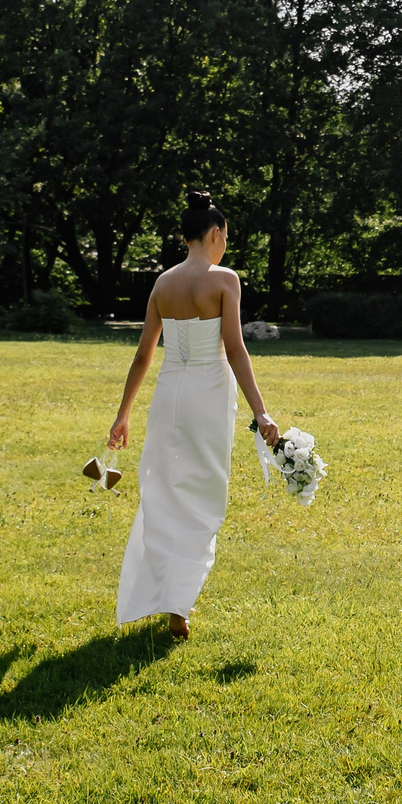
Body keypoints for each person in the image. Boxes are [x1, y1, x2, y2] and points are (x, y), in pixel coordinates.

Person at [105, 191, 282, 640]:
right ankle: (178, 605)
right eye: (226, 237)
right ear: (216, 233)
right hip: (208, 395)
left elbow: (143, 356)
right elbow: (235, 349)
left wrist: (123, 415)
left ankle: (166, 596)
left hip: (169, 395)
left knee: (164, 493)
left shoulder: (162, 284)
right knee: (203, 495)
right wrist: (261, 413)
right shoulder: (225, 280)